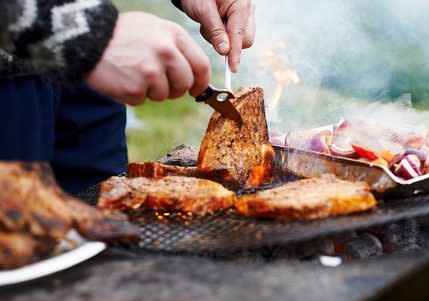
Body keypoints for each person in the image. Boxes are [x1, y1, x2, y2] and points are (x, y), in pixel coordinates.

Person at [0, 0, 256, 194]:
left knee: (103, 221)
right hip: (14, 73)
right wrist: (83, 36)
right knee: (17, 239)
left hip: (94, 55)